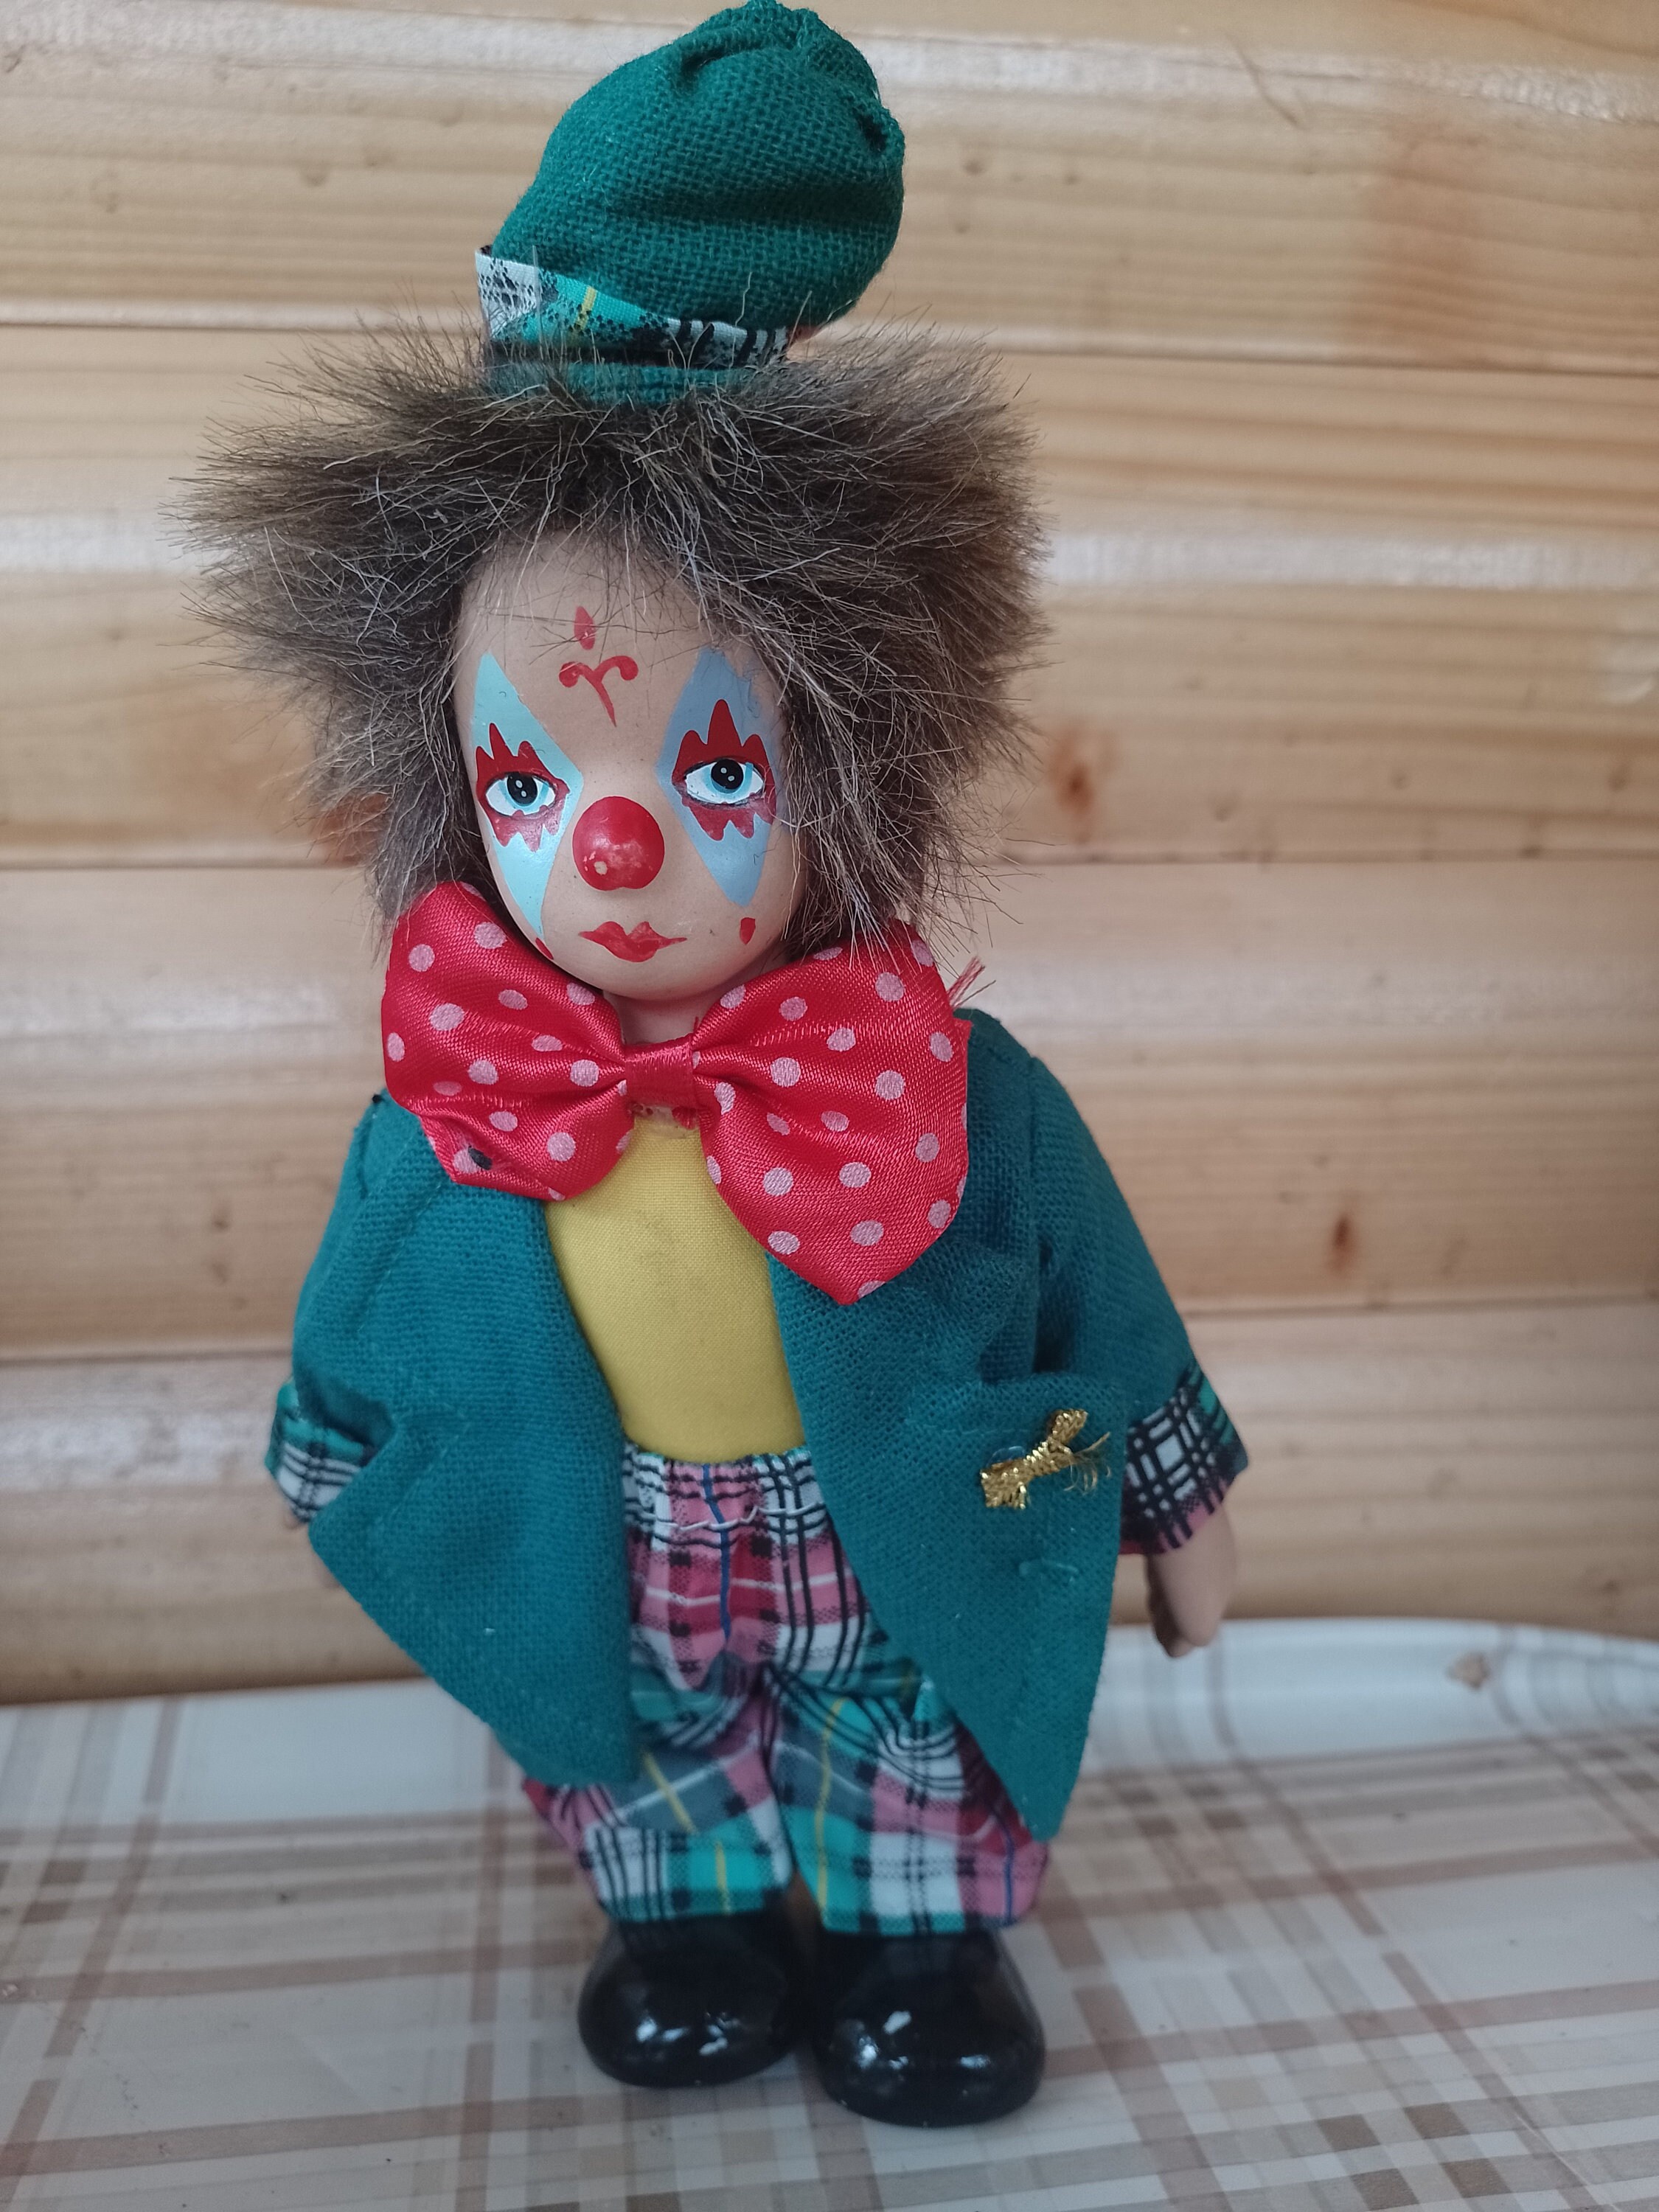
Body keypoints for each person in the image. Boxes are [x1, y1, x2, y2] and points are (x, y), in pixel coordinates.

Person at [189, 0, 1245, 2128]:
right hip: (615, 1539)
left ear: (849, 754)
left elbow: (1099, 1299)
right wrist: (338, 1458)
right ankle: (685, 1923)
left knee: (910, 1731)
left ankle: (910, 1942)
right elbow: (371, 1319)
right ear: (451, 784)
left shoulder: (953, 1090)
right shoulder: (461, 1098)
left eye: (713, 767)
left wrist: (1178, 1506)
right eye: (528, 775)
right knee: (639, 1740)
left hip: (892, 1536)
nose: (613, 846)